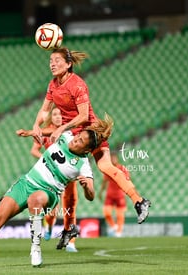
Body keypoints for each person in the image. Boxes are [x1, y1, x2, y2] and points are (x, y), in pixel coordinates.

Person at [0, 115, 113, 269]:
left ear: (87, 150)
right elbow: (48, 131)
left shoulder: (83, 165)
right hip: (26, 183)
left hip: (48, 192)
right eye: (78, 137)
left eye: (80, 142)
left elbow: (91, 195)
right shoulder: (66, 135)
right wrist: (31, 132)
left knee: (35, 200)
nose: (75, 140)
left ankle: (35, 248)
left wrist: (86, 187)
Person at [30, 47, 151, 236]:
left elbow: (84, 115)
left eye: (57, 60)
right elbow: (45, 110)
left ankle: (139, 201)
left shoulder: (77, 84)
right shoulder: (53, 85)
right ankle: (69, 228)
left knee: (105, 166)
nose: (52, 64)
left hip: (89, 133)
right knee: (68, 180)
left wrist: (61, 127)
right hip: (73, 136)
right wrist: (36, 125)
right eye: (50, 61)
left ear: (69, 64)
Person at [17, 107, 79, 252]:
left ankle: (71, 242)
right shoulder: (45, 132)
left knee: (70, 206)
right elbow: (34, 150)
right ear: (51, 117)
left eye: (61, 114)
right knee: (52, 210)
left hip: (67, 176)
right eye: (55, 114)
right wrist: (48, 160)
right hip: (51, 175)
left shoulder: (69, 132)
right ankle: (49, 225)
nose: (58, 117)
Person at [99, 152, 128, 237]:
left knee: (120, 215)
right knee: (106, 212)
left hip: (119, 195)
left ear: (117, 159)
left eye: (114, 158)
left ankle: (119, 232)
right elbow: (104, 182)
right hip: (110, 195)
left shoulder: (122, 168)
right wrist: (101, 192)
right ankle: (113, 226)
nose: (113, 160)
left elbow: (127, 180)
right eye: (111, 158)